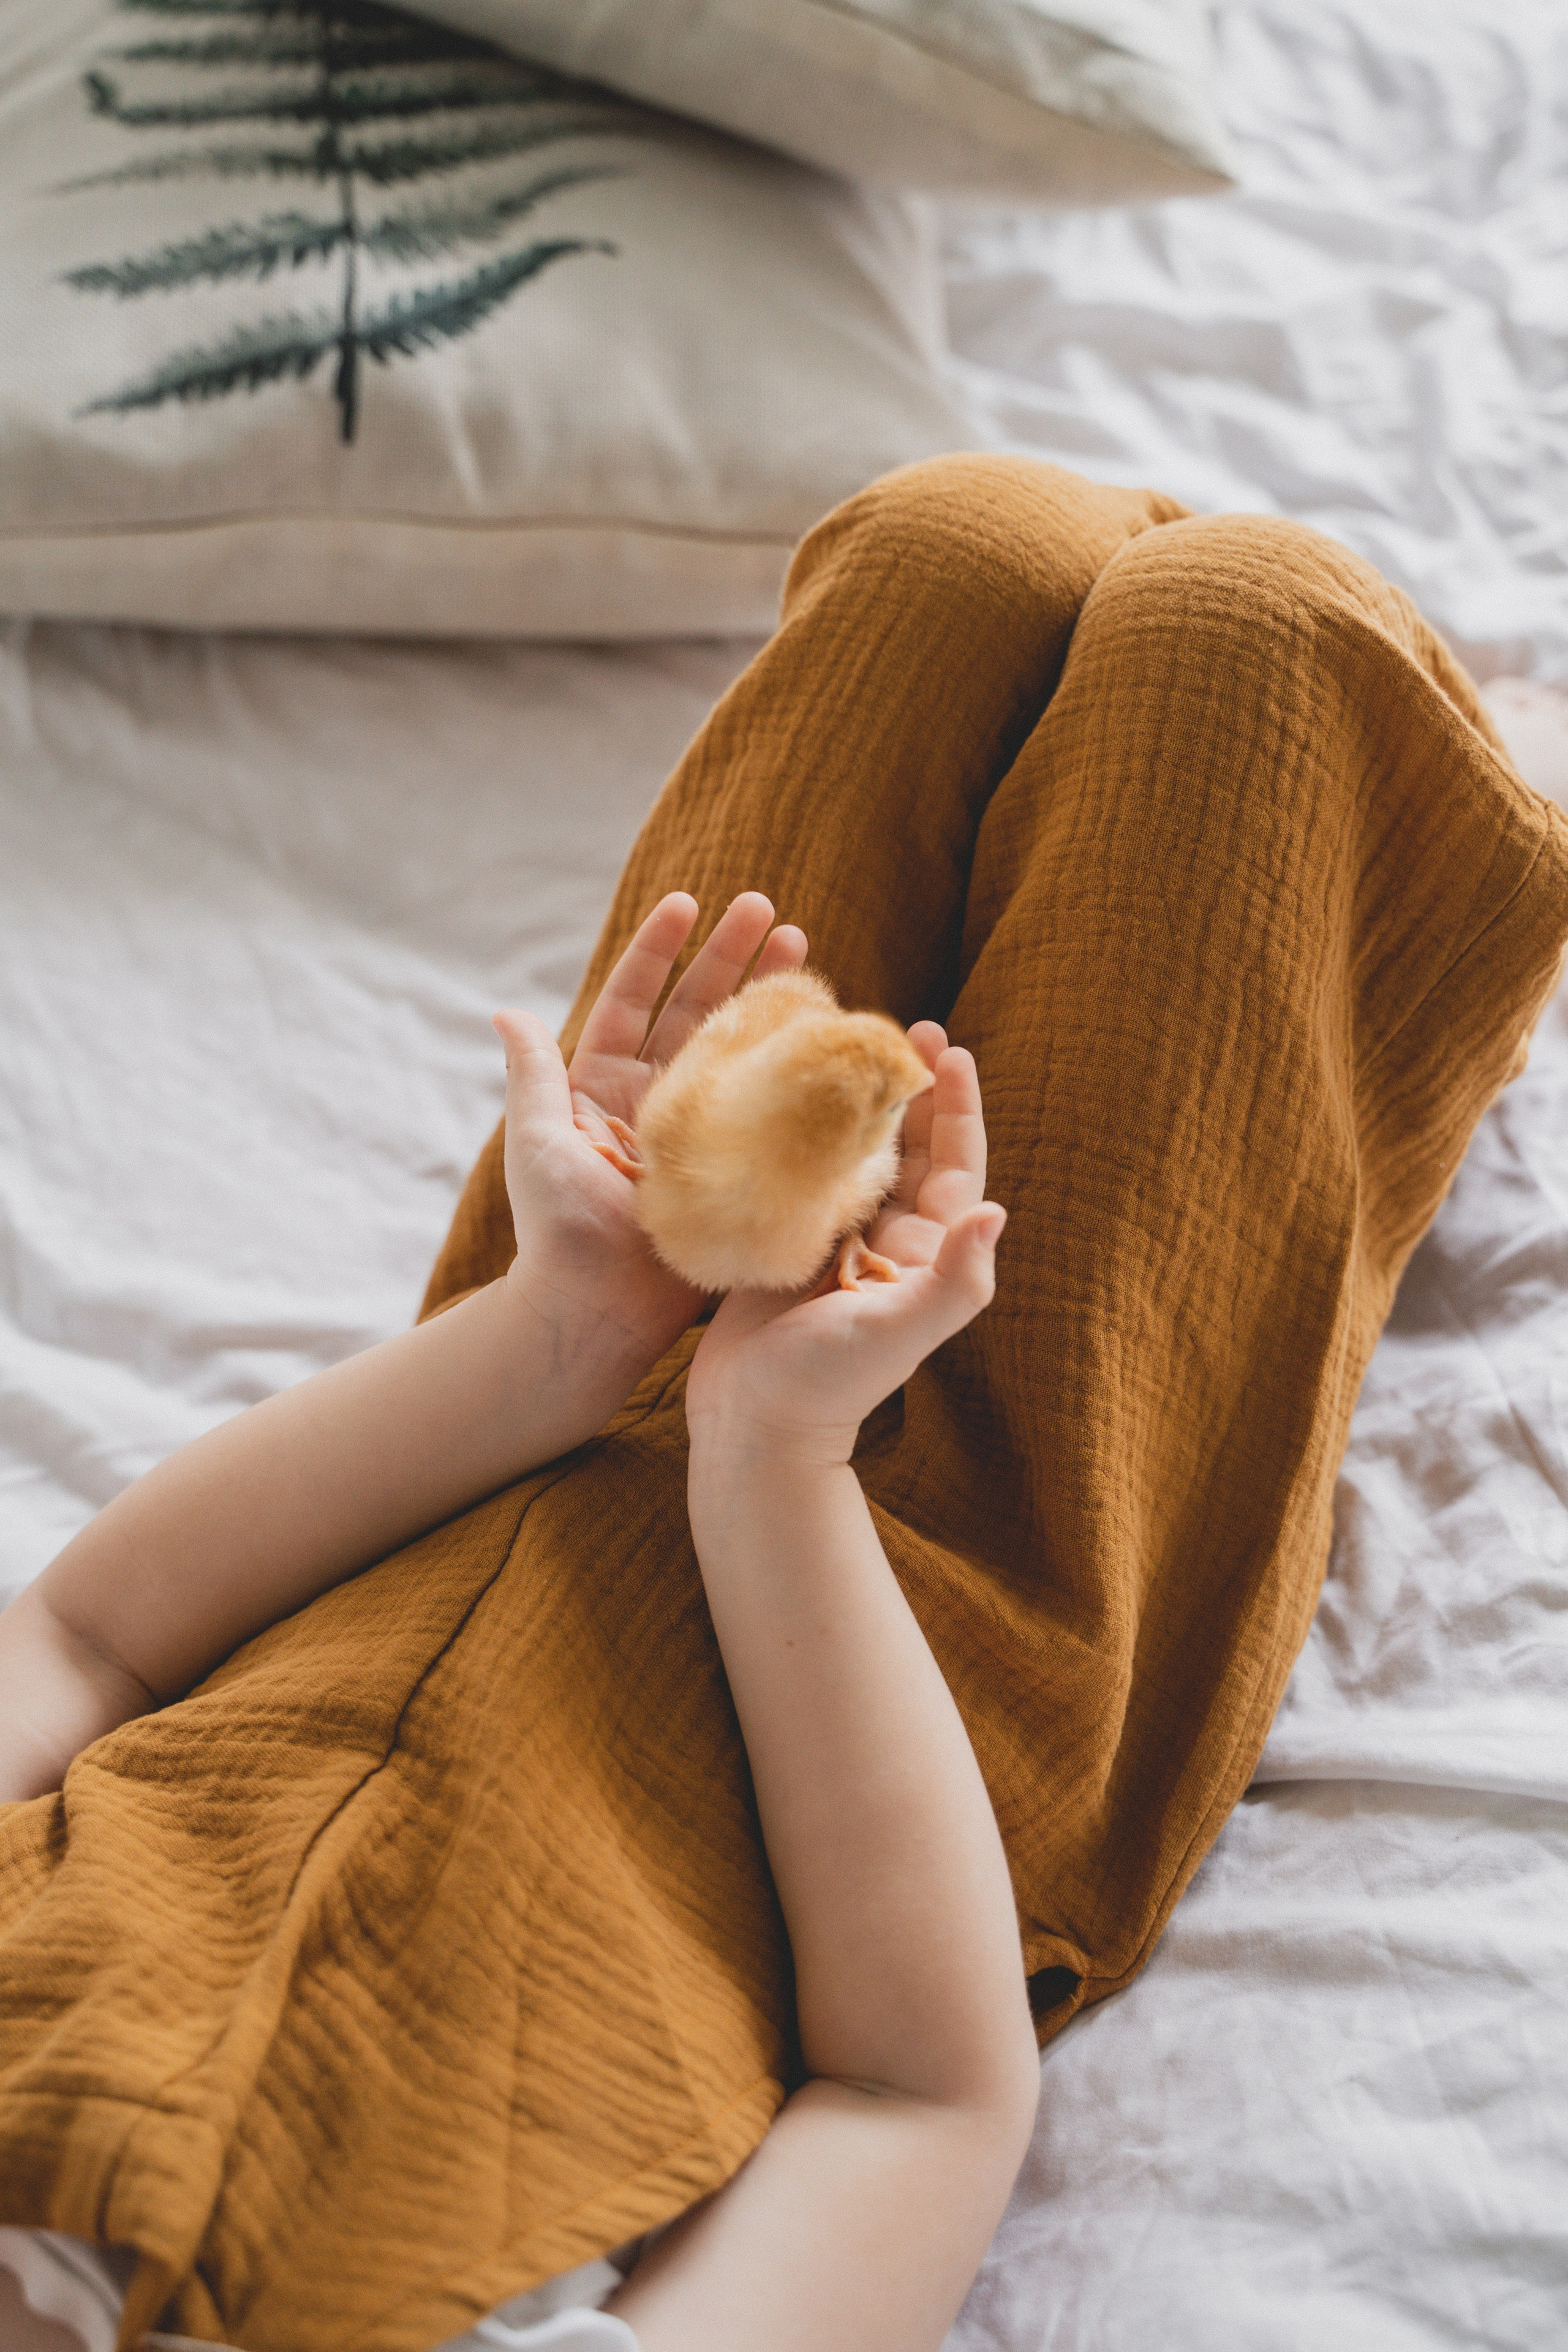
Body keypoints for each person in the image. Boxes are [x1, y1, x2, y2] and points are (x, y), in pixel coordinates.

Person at [0, 887, 1038, 2352]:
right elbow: (917, 2099)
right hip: (929, 1602)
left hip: (477, 1400)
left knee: (899, 669)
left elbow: (79, 1643)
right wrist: (770, 1451)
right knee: (1255, 704)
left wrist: (558, 1329)